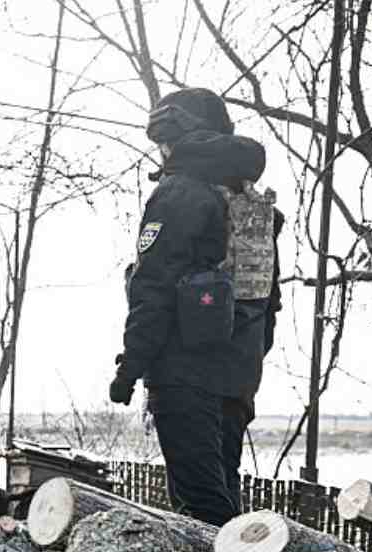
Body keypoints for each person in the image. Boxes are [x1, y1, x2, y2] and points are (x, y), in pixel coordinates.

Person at [109, 88, 283, 527]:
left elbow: (153, 288)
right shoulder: (248, 201)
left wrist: (130, 368)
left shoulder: (179, 193)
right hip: (237, 379)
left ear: (174, 136)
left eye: (162, 141)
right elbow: (270, 303)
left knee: (200, 513)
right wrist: (244, 364)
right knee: (221, 498)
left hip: (185, 376)